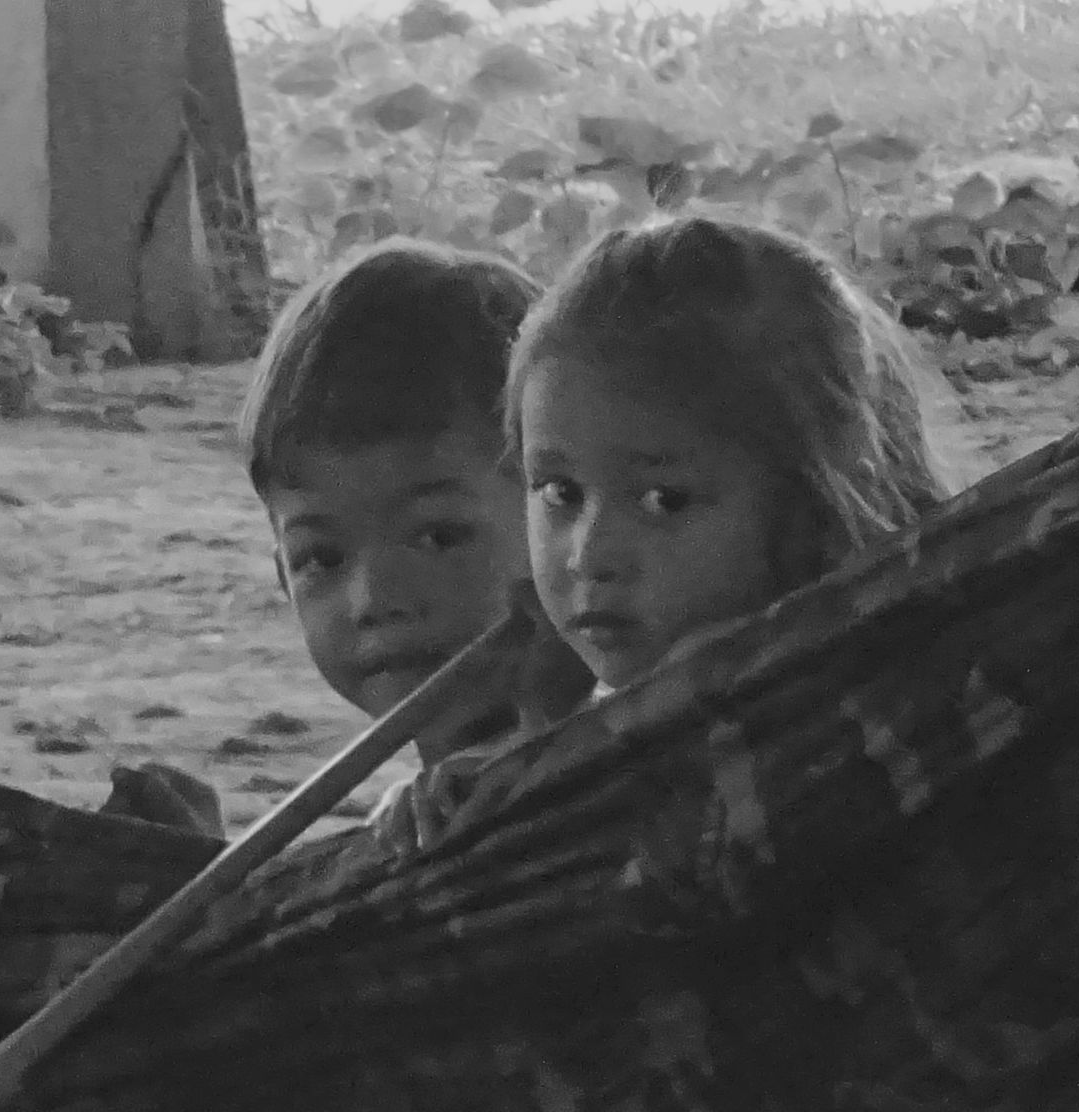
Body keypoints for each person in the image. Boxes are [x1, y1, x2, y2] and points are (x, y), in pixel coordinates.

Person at [378, 214, 952, 853]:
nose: (589, 555)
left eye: (664, 500)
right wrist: (493, 777)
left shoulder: (874, 710)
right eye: (559, 493)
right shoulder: (579, 698)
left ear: (814, 507)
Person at [235, 239, 594, 853]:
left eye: (437, 536)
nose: (375, 599)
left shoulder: (635, 772)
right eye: (321, 558)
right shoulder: (435, 804)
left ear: (563, 524)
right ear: (281, 577)